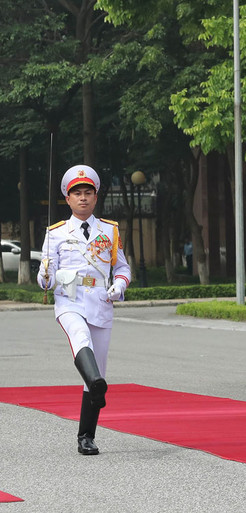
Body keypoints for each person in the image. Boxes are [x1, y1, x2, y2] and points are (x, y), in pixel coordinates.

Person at [37, 164, 131, 455]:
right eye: (76, 193)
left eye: (87, 192)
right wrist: (45, 274)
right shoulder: (56, 233)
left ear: (96, 196)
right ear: (67, 198)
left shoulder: (109, 230)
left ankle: (86, 437)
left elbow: (122, 267)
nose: (82, 198)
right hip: (70, 299)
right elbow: (45, 279)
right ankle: (94, 382)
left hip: (100, 302)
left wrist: (119, 285)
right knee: (79, 337)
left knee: (98, 373)